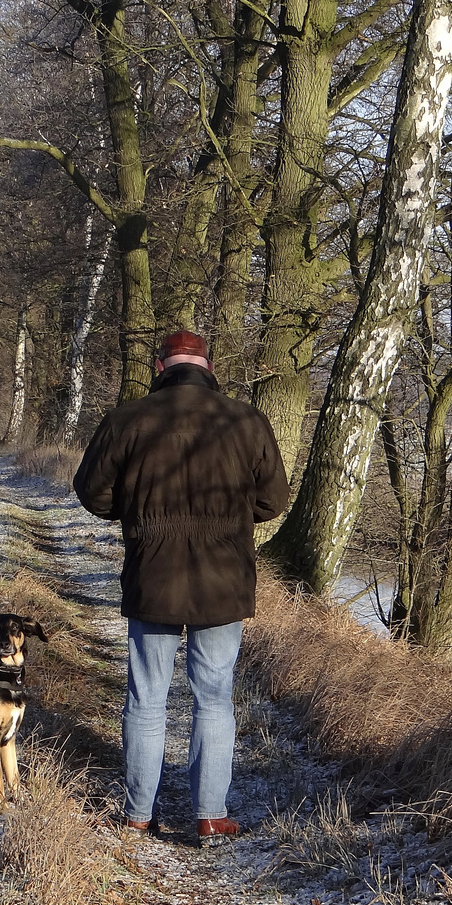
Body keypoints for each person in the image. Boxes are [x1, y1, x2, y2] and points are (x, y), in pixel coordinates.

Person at [73, 330, 289, 846]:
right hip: (222, 579)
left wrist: (139, 516)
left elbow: (91, 491)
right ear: (208, 365)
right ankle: (210, 817)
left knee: (146, 698)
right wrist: (230, 521)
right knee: (214, 698)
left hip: (153, 573)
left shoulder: (128, 418)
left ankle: (137, 816)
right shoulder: (245, 420)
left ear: (159, 365)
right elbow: (274, 500)